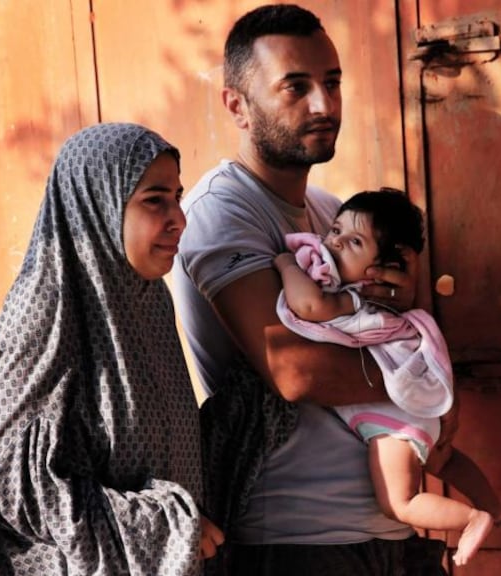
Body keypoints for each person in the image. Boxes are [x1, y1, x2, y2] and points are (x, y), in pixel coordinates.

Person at [171, 4, 453, 574]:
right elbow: (295, 371)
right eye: (296, 87)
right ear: (237, 106)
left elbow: (406, 324)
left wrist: (411, 332)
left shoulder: (334, 215)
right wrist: (422, 382)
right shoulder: (223, 210)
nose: (324, 105)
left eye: (332, 82)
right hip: (297, 542)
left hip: (393, 529)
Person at [0, 123, 223, 576]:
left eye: (177, 197)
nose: (179, 218)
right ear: (98, 203)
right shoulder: (48, 305)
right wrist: (164, 529)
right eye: (154, 200)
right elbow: (4, 486)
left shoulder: (147, 299)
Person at [273, 188, 501, 567]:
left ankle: (471, 518)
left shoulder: (359, 300)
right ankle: (491, 503)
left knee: (399, 502)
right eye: (335, 231)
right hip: (411, 414)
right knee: (443, 460)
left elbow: (309, 305)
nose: (335, 243)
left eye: (355, 242)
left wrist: (286, 266)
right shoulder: (369, 296)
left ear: (381, 269)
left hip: (392, 418)